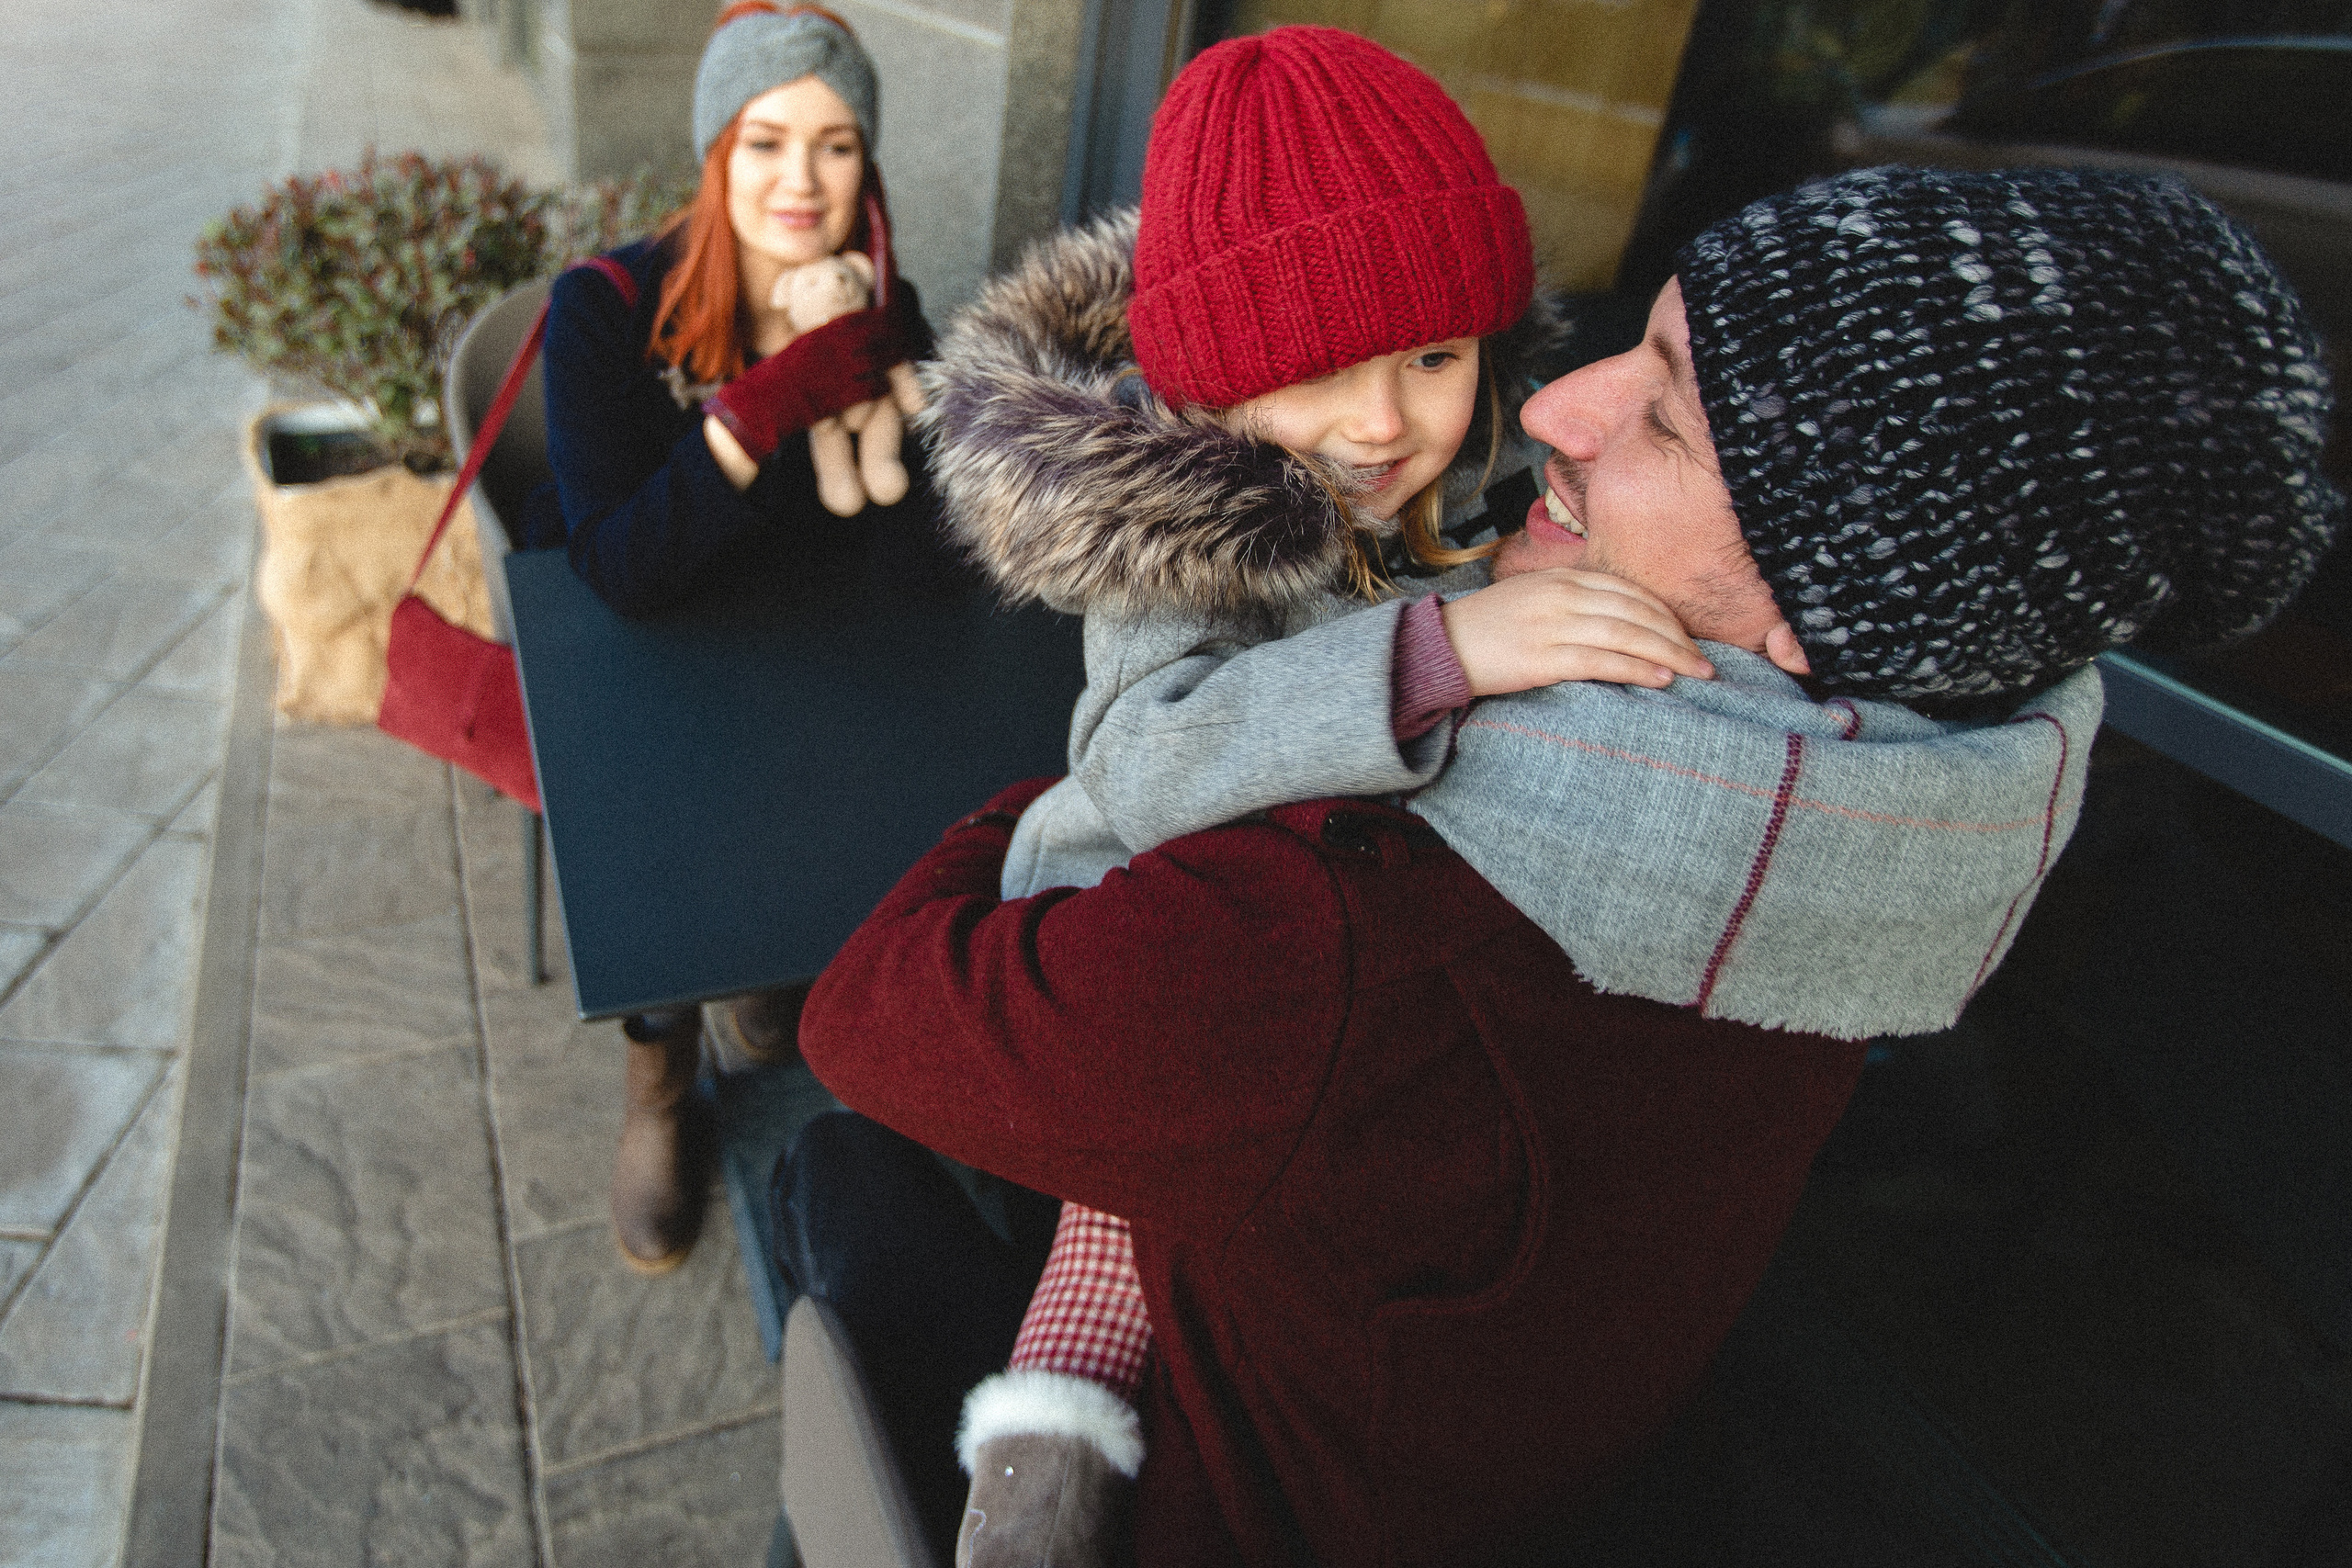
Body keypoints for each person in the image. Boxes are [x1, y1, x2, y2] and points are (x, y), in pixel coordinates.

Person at [785, 161, 2341, 1566]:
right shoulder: (1925, 819)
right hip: (1515, 1473)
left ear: (1821, 614)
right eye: (1639, 341)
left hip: (1233, 1500)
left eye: (1667, 417)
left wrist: (1157, 746)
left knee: (826, 1175)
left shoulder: (1361, 926)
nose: (1555, 408)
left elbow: (870, 1015)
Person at [910, 26, 1717, 1556]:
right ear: (1216, 383)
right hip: (1138, 909)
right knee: (1139, 1201)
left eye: (1432, 356)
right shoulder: (1185, 542)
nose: (1382, 421)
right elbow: (1147, 759)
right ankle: (1041, 1445)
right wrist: (1443, 651)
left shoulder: (1465, 479)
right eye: (1318, 371)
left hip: (1334, 918)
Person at [529, 1, 929, 1273]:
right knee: (659, 814)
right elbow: (619, 569)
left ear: (868, 163)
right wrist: (760, 409)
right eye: (765, 143)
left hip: (801, 657)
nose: (801, 181)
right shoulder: (606, 312)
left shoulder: (880, 301)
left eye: (836, 145)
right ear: (716, 154)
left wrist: (921, 405)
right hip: (655, 658)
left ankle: (769, 968)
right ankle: (661, 1082)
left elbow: (905, 535)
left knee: (891, 756)